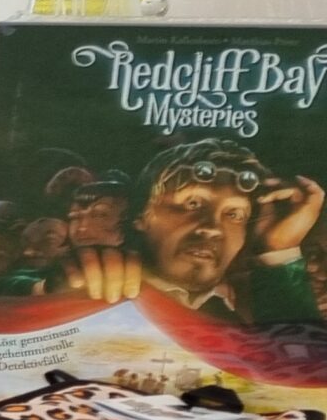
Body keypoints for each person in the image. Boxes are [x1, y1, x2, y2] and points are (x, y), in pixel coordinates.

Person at [56, 139, 324, 325]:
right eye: (193, 203)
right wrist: (54, 284)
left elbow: (298, 364)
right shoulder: (87, 286)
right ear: (140, 215)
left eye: (234, 214)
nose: (211, 228)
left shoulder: (239, 314)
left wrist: (279, 251)